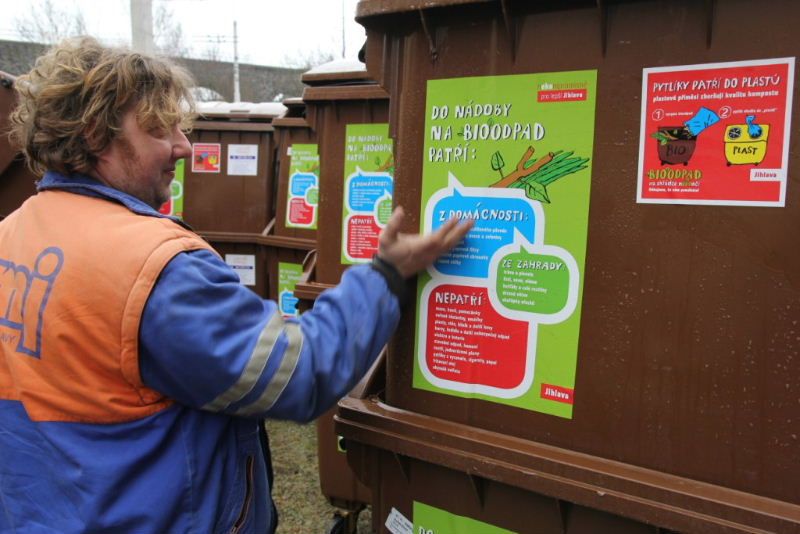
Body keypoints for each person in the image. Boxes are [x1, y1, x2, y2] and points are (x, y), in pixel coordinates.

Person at [0, 37, 471, 533]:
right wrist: (385, 276)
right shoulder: (152, 269)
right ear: (97, 134)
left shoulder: (12, 235)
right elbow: (299, 374)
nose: (183, 146)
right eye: (160, 128)